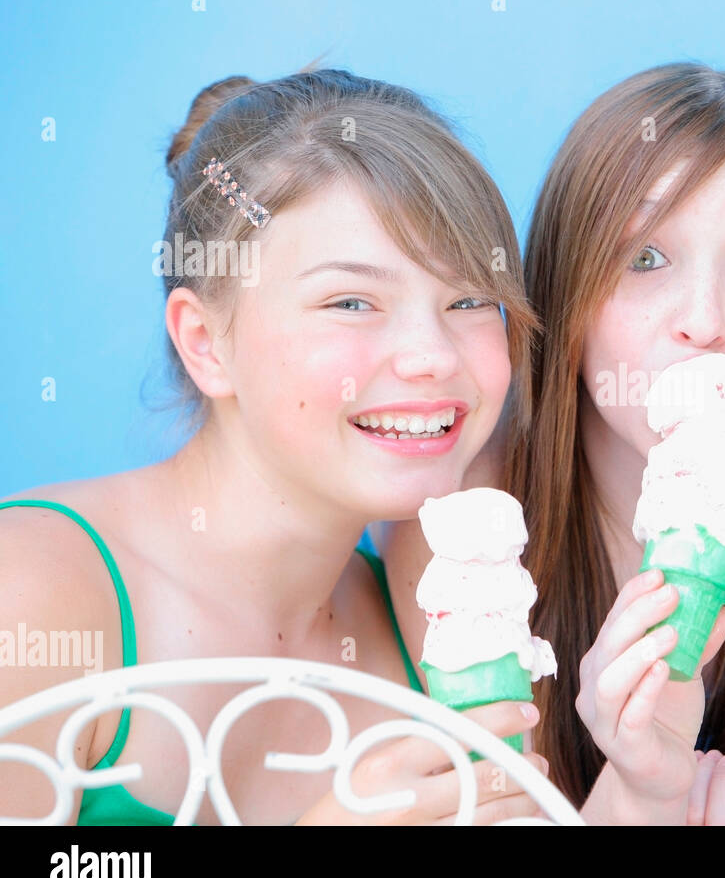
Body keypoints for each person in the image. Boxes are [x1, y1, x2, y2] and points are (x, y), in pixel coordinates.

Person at [0, 68, 547, 825]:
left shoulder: (425, 630)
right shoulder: (33, 595)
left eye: (467, 301)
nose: (433, 355)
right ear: (205, 343)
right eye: (351, 301)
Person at [386, 62, 725, 824]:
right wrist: (642, 789)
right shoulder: (464, 523)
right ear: (566, 295)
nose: (704, 320)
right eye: (644, 257)